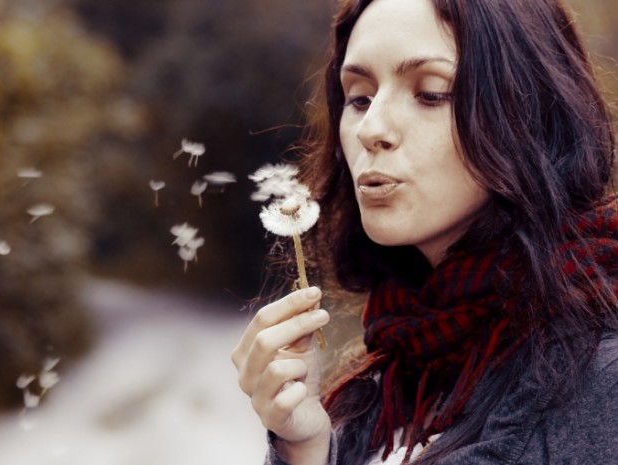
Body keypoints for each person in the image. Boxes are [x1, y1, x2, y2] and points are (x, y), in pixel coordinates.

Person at [231, 0, 618, 464]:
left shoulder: (602, 377)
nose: (370, 128)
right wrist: (305, 448)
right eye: (358, 98)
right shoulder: (397, 361)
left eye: (431, 93)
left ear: (529, 110)